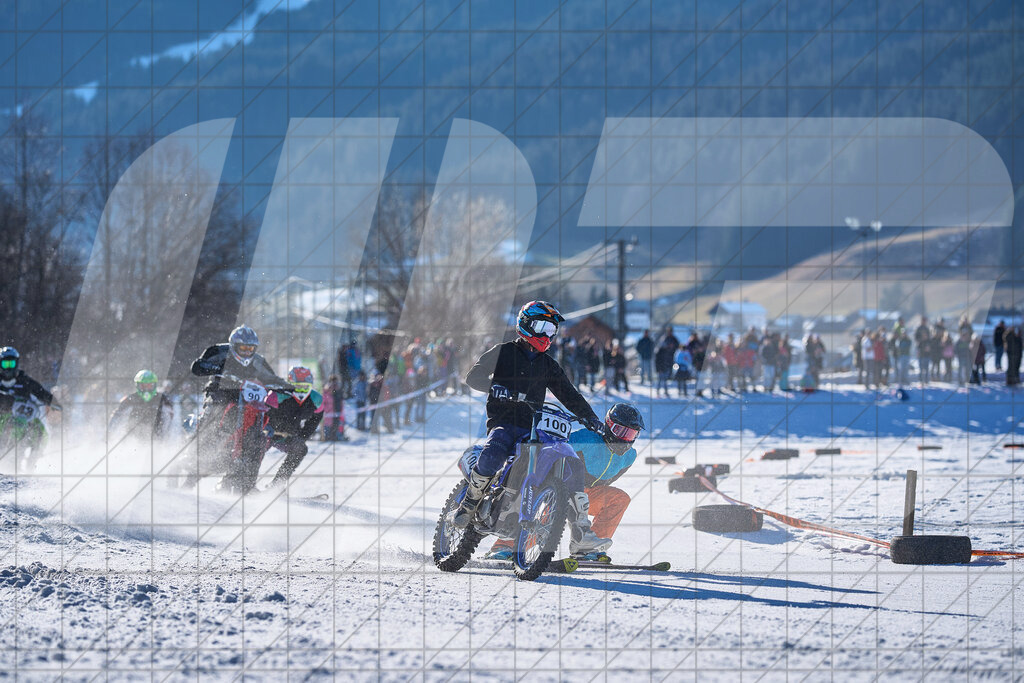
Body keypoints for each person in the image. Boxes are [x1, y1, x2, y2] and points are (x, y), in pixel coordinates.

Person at [456, 301, 605, 538]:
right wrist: (497, 388)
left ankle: (578, 527)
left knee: (569, 462)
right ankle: (469, 502)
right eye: (543, 328)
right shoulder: (503, 351)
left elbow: (570, 395)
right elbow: (473, 377)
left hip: (535, 426)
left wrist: (591, 419)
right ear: (526, 324)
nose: (547, 336)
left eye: (551, 332)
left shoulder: (548, 365)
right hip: (504, 420)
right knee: (495, 449)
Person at [486, 403, 645, 563]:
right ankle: (505, 546)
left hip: (588, 494)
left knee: (619, 499)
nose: (625, 439)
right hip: (561, 488)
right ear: (609, 426)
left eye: (631, 435)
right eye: (620, 431)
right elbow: (554, 451)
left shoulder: (629, 456)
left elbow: (606, 481)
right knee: (546, 522)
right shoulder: (586, 438)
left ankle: (586, 549)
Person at [189, 325, 289, 494]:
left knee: (257, 438)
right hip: (220, 394)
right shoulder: (218, 351)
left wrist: (285, 386)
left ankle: (247, 484)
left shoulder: (258, 360)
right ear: (234, 345)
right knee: (214, 410)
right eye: (243, 348)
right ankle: (200, 445)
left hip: (247, 398)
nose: (246, 352)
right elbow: (197, 367)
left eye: (250, 348)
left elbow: (270, 377)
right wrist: (216, 369)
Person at [265, 367, 324, 488]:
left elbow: (314, 421)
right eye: (298, 386)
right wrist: (264, 427)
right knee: (255, 447)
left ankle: (277, 484)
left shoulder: (316, 400)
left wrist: (302, 437)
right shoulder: (278, 395)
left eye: (305, 386)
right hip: (268, 432)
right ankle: (244, 481)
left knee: (300, 448)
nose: (302, 390)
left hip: (287, 436)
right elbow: (262, 412)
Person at [0, 347, 59, 468]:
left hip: (24, 418)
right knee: (11, 429)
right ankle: (7, 461)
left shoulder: (24, 380)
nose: (9, 368)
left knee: (42, 435)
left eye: (12, 363)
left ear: (17, 363)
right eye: (5, 364)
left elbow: (41, 392)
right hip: (3, 419)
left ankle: (31, 464)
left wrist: (55, 403)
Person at [108, 369, 174, 442]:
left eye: (149, 386)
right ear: (137, 386)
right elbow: (117, 417)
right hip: (133, 439)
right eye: (143, 386)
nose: (146, 389)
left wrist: (169, 439)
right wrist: (110, 434)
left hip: (157, 439)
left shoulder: (163, 399)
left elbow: (172, 420)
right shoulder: (130, 399)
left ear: (154, 386)